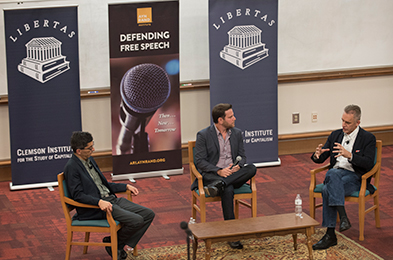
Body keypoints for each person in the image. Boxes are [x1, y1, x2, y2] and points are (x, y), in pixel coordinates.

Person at [64, 131, 155, 260]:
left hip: (110, 200)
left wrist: (125, 186)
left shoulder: (89, 160)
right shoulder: (72, 167)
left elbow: (104, 184)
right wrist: (98, 202)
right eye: (90, 148)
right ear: (78, 151)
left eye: (92, 145)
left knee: (148, 214)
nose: (93, 149)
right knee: (136, 220)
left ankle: (114, 243)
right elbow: (78, 195)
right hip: (97, 208)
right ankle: (115, 243)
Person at [191, 103, 257, 249]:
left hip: (233, 173)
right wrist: (219, 171)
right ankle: (231, 234)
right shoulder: (204, 135)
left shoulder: (237, 133)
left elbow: (242, 156)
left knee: (252, 168)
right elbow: (200, 162)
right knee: (228, 189)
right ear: (220, 120)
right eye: (231, 116)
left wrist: (238, 166)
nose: (235, 118)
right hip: (214, 174)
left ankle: (221, 184)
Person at [311, 104, 376, 250]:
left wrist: (350, 155)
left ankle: (330, 235)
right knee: (333, 174)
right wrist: (317, 155)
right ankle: (342, 218)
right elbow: (323, 156)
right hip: (336, 175)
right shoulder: (336, 135)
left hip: (354, 177)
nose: (343, 125)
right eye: (342, 121)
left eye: (347, 123)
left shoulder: (367, 138)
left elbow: (368, 164)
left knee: (328, 188)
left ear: (358, 123)